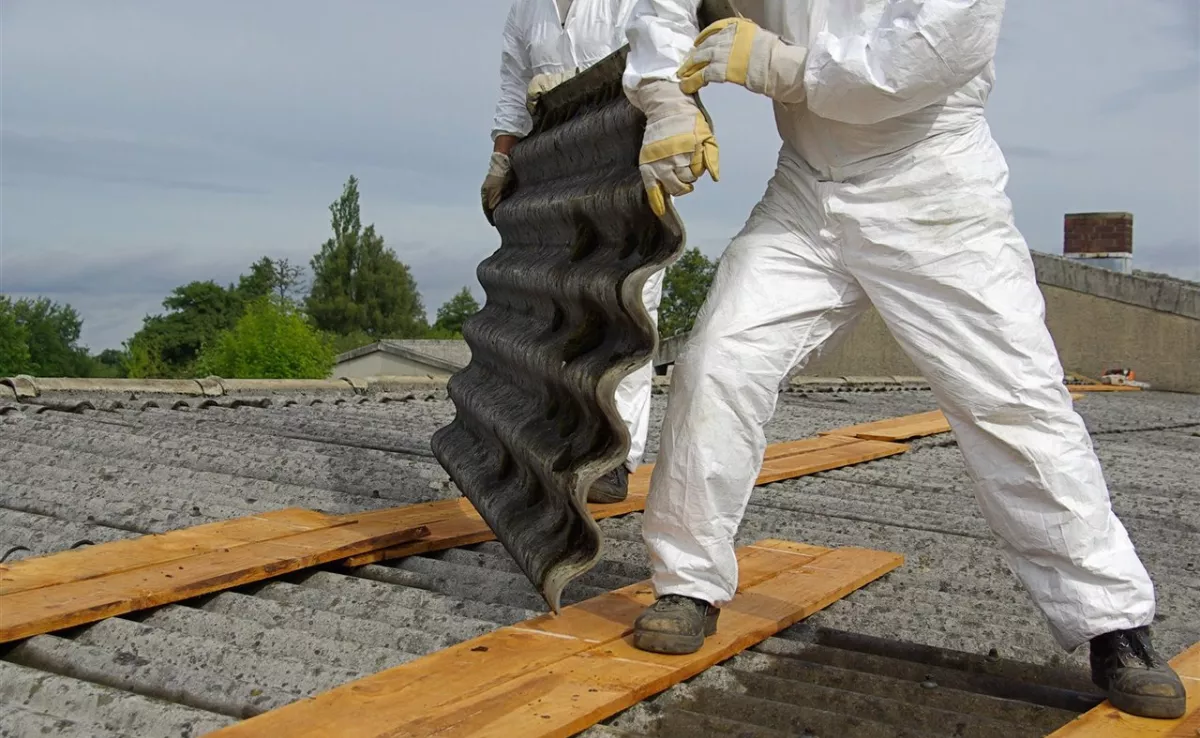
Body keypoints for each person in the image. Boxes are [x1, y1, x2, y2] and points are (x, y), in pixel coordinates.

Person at [620, 0, 1186, 720]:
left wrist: (769, 62)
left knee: (1013, 401)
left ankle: (1113, 624)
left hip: (933, 187)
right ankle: (687, 583)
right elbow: (665, 9)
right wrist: (669, 98)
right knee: (716, 363)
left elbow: (902, 68)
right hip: (807, 189)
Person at [483, 0, 666, 504]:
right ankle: (562, 440)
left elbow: (662, 62)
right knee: (560, 305)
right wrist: (502, 159)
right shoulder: (527, 11)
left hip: (628, 163)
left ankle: (616, 456)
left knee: (629, 305)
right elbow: (512, 89)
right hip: (557, 173)